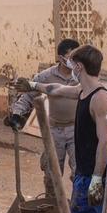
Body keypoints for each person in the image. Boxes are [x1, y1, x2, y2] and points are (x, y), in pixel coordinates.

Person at [15, 45, 107, 213]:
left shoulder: (100, 97)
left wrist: (98, 180)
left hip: (93, 174)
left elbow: (105, 142)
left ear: (79, 66)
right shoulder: (82, 90)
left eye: (72, 63)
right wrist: (32, 85)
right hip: (85, 173)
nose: (69, 67)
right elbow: (55, 89)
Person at [7, 38, 81, 202]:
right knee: (52, 173)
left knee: (79, 174)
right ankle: (52, 206)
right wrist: (17, 114)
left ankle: (77, 210)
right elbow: (27, 95)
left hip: (76, 131)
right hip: (54, 132)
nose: (76, 61)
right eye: (72, 57)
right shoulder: (46, 76)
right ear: (62, 59)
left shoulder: (81, 76)